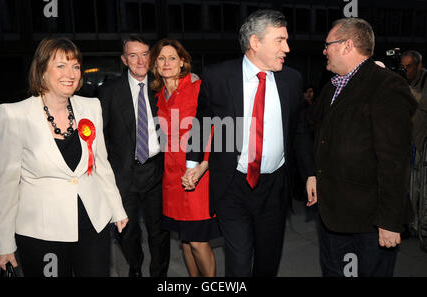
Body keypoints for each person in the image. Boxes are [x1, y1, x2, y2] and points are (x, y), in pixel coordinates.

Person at [184, 9, 316, 277]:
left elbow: (300, 130)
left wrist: (310, 173)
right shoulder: (219, 76)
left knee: (268, 261)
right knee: (239, 260)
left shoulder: (292, 80)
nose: (287, 48)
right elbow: (202, 121)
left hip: (274, 187)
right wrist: (192, 163)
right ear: (255, 43)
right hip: (232, 184)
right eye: (279, 40)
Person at [0, 37, 128, 277]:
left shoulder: (91, 107)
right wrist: (4, 243)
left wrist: (117, 209)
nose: (71, 73)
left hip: (91, 223)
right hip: (42, 232)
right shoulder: (14, 115)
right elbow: (7, 184)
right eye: (60, 65)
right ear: (42, 71)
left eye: (76, 66)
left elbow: (100, 164)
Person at [308, 18, 417, 277]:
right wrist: (312, 172)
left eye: (328, 45)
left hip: (370, 221)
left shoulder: (386, 85)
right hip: (332, 215)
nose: (324, 51)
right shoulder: (332, 87)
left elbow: (394, 160)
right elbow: (316, 132)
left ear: (347, 45)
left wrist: (390, 222)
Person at [98, 35, 170, 277]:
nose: (140, 60)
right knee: (126, 231)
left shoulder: (161, 87)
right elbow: (101, 136)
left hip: (156, 172)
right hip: (124, 174)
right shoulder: (109, 92)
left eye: (145, 54)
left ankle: (159, 274)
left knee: (159, 231)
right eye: (133, 55)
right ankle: (136, 266)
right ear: (124, 59)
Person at [148, 39, 220, 277]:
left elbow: (213, 129)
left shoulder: (198, 87)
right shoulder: (158, 95)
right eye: (161, 58)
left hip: (197, 175)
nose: (166, 63)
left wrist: (203, 165)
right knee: (186, 241)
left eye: (172, 58)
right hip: (172, 177)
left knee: (198, 241)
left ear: (182, 62)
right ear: (155, 65)